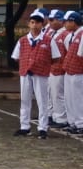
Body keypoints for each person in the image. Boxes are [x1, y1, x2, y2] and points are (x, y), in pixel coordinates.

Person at [11, 11, 54, 139]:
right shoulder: (23, 40)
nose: (35, 25)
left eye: (38, 23)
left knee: (42, 101)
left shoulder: (48, 40)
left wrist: (41, 63)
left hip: (40, 74)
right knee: (25, 100)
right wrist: (26, 63)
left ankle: (42, 128)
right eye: (32, 22)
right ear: (28, 24)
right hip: (25, 73)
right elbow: (16, 57)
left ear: (42, 24)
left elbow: (56, 58)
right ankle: (25, 126)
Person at [61, 12, 83, 135]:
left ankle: (80, 123)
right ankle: (73, 122)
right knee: (69, 98)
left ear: (73, 22)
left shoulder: (82, 34)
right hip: (69, 70)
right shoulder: (72, 35)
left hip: (78, 71)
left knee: (78, 99)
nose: (65, 24)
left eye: (67, 22)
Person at [47, 10, 70, 127]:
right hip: (52, 69)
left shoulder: (65, 34)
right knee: (52, 95)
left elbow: (69, 53)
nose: (49, 22)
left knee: (59, 95)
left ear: (60, 20)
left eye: (52, 20)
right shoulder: (53, 33)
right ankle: (54, 116)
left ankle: (61, 119)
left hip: (60, 69)